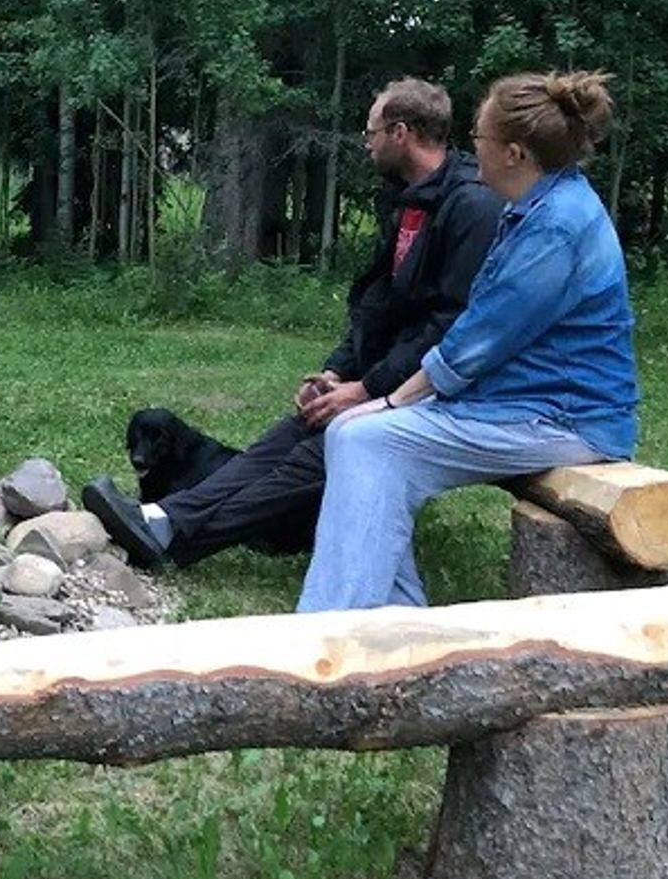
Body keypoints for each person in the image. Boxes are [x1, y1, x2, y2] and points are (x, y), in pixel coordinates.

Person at [83, 78, 505, 569]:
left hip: (438, 390)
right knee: (286, 436)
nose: (366, 143)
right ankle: (161, 518)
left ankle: (175, 540)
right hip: (388, 378)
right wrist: (336, 373)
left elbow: (448, 327)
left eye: (371, 132)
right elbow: (377, 306)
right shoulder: (409, 199)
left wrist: (366, 390)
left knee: (316, 455)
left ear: (400, 133)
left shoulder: (470, 206)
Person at [297, 70, 635, 612]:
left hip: (565, 418)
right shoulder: (539, 206)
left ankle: (334, 622)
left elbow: (480, 341)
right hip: (522, 405)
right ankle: (388, 618)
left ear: (514, 154)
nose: (471, 147)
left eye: (480, 137)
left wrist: (392, 400)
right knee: (354, 434)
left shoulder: (556, 227)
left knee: (367, 440)